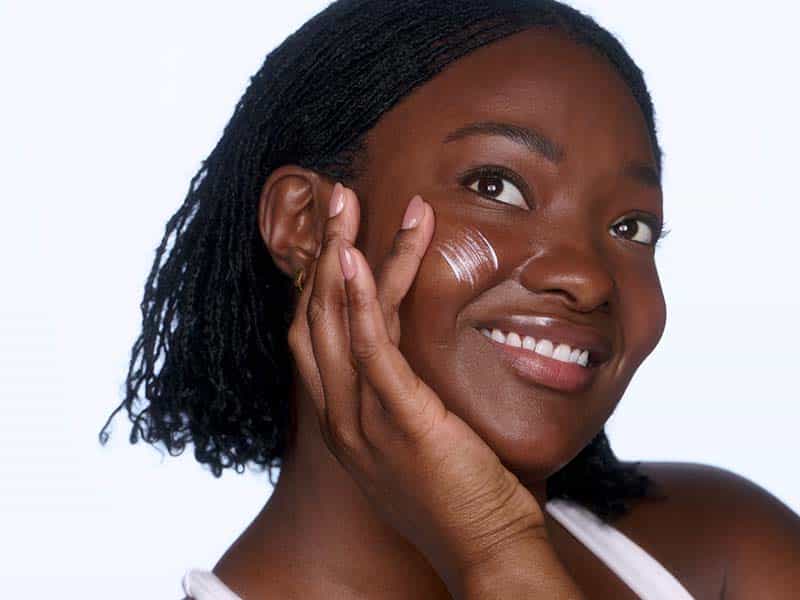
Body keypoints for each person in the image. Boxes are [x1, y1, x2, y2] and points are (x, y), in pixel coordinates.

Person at [100, 0, 800, 598]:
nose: (588, 278)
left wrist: (499, 548)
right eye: (496, 186)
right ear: (306, 224)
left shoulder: (724, 552)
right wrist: (491, 546)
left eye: (631, 227)